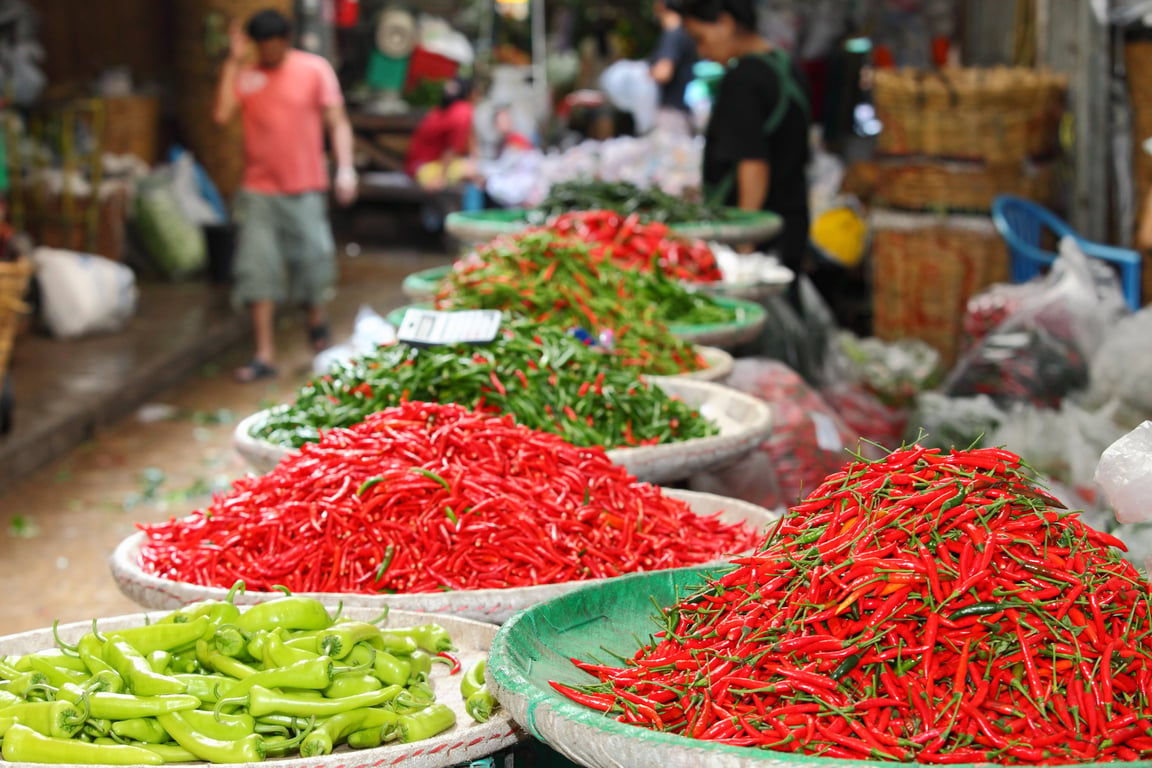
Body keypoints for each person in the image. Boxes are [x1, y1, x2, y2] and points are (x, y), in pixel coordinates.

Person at [213, 8, 357, 382]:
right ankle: (264, 353)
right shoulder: (246, 76)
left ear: (286, 40)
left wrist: (345, 168)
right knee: (257, 269)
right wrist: (232, 59)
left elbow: (337, 122)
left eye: (275, 45)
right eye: (264, 46)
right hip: (259, 190)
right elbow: (221, 114)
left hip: (305, 186)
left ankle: (316, 319)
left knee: (314, 261)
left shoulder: (314, 70)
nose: (271, 53)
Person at [675, 0, 812, 307]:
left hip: (763, 234)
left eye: (700, 38)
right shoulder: (786, 66)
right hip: (791, 222)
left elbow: (753, 164)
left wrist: (745, 243)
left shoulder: (744, 80)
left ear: (725, 22)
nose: (702, 51)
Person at [405, 77, 478, 192]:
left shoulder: (439, 110)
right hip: (425, 169)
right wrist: (441, 178)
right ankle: (471, 210)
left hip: (416, 165)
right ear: (471, 93)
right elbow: (451, 148)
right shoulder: (463, 111)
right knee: (476, 171)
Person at [650, 0, 698, 136]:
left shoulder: (673, 35)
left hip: (672, 114)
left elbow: (664, 72)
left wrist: (644, 74)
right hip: (682, 111)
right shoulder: (685, 32)